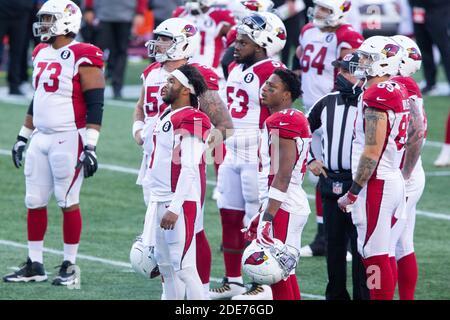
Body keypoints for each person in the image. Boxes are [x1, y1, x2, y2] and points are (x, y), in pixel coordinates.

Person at [3, 0, 105, 286]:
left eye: (49, 19)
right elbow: (38, 98)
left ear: (67, 22)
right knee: (34, 201)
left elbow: (96, 103)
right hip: (41, 137)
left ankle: (69, 265)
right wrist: (23, 135)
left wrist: (91, 145)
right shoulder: (40, 52)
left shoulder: (83, 54)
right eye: (44, 19)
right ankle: (35, 264)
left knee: (67, 200)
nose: (43, 25)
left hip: (68, 137)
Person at [132, 17, 233, 298]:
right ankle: (173, 294)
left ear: (182, 43)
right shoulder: (153, 71)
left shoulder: (198, 75)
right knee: (162, 245)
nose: (159, 43)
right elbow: (141, 108)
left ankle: (198, 292)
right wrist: (139, 129)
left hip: (182, 166)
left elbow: (225, 126)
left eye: (165, 39)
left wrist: (196, 147)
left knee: (192, 232)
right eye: (159, 38)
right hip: (153, 164)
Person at [210, 11, 286, 300]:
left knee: (256, 219)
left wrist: (272, 157)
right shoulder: (236, 67)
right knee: (229, 215)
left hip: (258, 150)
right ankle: (233, 280)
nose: (236, 46)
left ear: (262, 43)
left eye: (243, 41)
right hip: (233, 149)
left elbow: (279, 117)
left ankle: (261, 283)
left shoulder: (272, 71)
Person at [337, 36, 409, 300]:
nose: (362, 62)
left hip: (378, 182)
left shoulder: (377, 93)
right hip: (391, 177)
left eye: (368, 58)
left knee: (373, 253)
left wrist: (353, 191)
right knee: (383, 251)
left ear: (384, 63)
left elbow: (371, 150)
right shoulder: (395, 88)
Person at [295, 0, 364, 257]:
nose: (318, 12)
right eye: (318, 7)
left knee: (342, 172)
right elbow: (299, 60)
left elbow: (352, 73)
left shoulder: (347, 35)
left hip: (336, 109)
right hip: (313, 107)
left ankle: (347, 238)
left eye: (325, 9)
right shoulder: (307, 31)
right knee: (319, 174)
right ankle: (324, 236)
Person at [307, 53, 369, 300]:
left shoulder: (369, 102)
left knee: (361, 248)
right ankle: (335, 295)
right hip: (331, 181)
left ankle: (362, 297)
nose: (340, 75)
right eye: (340, 70)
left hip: (359, 184)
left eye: (346, 71)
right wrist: (310, 158)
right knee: (334, 246)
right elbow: (301, 130)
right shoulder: (326, 102)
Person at [147, 64, 211, 300]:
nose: (166, 85)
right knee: (165, 266)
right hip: (160, 198)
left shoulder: (193, 117)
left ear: (186, 90)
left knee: (183, 267)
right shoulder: (167, 114)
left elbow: (190, 166)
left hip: (179, 202)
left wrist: (175, 207)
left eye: (172, 82)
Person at [249, 68, 311, 300]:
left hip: (283, 203)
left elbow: (282, 174)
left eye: (272, 87)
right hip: (285, 201)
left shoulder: (283, 120)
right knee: (285, 270)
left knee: (276, 272)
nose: (264, 89)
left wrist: (267, 217)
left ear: (286, 96)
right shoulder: (284, 119)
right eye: (265, 84)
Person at [390, 34, 426, 300]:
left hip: (400, 174)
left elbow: (417, 131)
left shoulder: (401, 84)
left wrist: (404, 174)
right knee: (402, 244)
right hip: (401, 172)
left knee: (382, 247)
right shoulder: (400, 84)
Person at [84, 0, 147, 99]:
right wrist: (88, 8)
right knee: (97, 50)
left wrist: (140, 12)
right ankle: (91, 86)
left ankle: (117, 87)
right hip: (103, 13)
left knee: (121, 52)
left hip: (126, 14)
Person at [173, 0, 236, 78]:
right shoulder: (180, 13)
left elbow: (234, 42)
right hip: (184, 71)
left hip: (211, 71)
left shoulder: (219, 15)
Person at [408, 0, 450, 95]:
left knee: (445, 49)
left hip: (438, 11)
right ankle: (430, 82)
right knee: (424, 48)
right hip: (418, 12)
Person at [0, 0, 35, 95]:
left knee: (17, 52)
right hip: (2, 11)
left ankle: (14, 85)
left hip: (21, 14)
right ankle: (14, 85)